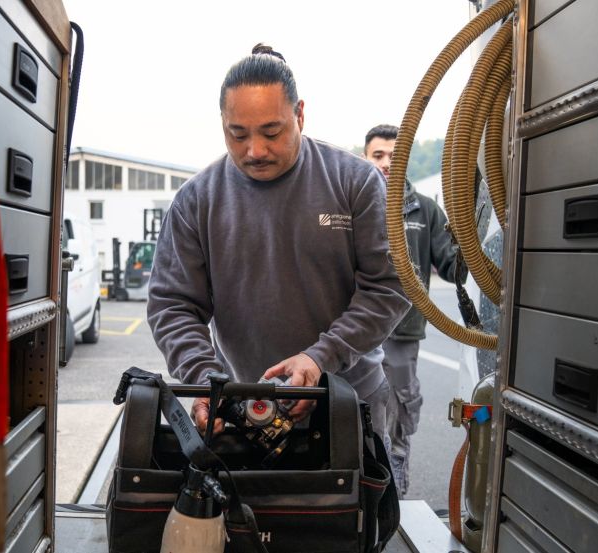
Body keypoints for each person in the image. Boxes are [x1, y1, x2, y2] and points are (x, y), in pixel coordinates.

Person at [146, 45, 410, 442]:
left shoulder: (355, 182)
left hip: (349, 401)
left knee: (354, 505)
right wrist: (204, 380)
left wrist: (320, 358)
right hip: (242, 406)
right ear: (222, 124)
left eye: (272, 132)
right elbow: (172, 303)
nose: (255, 150)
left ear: (299, 114)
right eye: (237, 135)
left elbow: (389, 287)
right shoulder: (196, 200)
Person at [363, 124, 461, 497]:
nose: (387, 163)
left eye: (394, 155)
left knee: (401, 406)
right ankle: (365, 480)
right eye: (378, 155)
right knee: (359, 408)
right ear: (365, 158)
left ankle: (397, 476)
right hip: (355, 334)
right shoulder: (348, 203)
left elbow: (452, 266)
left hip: (402, 331)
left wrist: (471, 234)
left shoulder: (426, 209)